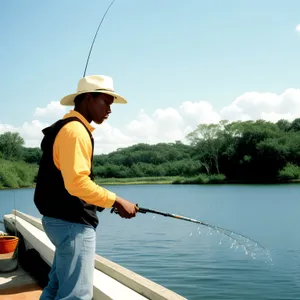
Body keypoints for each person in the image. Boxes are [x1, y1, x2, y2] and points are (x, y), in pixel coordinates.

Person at [34, 75, 138, 300]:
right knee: (76, 295)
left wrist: (106, 202)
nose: (109, 110)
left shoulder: (65, 128)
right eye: (106, 102)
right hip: (72, 224)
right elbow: (78, 184)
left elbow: (72, 181)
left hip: (58, 221)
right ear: (89, 98)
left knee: (55, 287)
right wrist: (117, 201)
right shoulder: (76, 131)